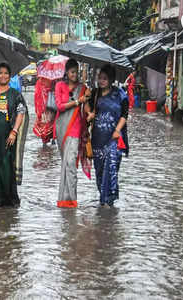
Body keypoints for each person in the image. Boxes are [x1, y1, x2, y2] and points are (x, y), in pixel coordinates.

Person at [0, 63, 28, 208]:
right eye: (0, 73)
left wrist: (14, 132)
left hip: (8, 138)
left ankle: (10, 201)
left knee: (7, 166)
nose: (3, 75)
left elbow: (21, 113)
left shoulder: (15, 94)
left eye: (6, 73)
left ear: (10, 76)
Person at [87, 64, 129, 208]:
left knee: (111, 167)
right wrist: (90, 114)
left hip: (114, 139)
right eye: (100, 78)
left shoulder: (120, 94)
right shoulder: (95, 93)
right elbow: (88, 108)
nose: (101, 81)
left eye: (105, 79)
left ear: (111, 80)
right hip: (98, 139)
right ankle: (103, 198)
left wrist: (117, 130)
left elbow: (124, 115)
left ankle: (108, 201)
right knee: (99, 171)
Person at [54, 58, 92, 208]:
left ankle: (72, 199)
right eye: (72, 72)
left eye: (76, 72)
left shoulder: (83, 88)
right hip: (62, 127)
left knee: (70, 162)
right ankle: (64, 200)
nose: (75, 74)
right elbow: (59, 106)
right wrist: (78, 101)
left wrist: (89, 110)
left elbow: (87, 108)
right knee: (65, 162)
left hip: (76, 127)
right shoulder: (59, 86)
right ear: (67, 72)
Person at [33, 77, 55, 145]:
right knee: (51, 124)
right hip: (50, 107)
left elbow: (36, 97)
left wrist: (38, 110)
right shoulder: (53, 80)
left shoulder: (39, 82)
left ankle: (45, 141)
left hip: (43, 108)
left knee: (45, 125)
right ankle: (52, 139)